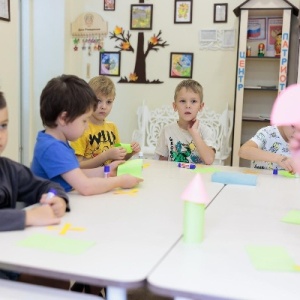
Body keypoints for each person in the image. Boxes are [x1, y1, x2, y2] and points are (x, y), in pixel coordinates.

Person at [31, 74, 143, 195]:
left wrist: (107, 169)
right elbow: (86, 187)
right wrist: (120, 181)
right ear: (64, 118)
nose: (86, 126)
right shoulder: (52, 148)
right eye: (84, 120)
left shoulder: (58, 143)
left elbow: (78, 172)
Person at [0, 91, 69, 284]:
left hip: (9, 261)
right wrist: (29, 217)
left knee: (58, 280)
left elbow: (46, 185)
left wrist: (58, 198)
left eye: (3, 126)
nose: (0, 135)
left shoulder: (8, 169)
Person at [70, 75, 140, 169]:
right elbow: (77, 166)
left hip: (108, 177)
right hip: (90, 180)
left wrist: (131, 152)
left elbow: (117, 159)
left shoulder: (112, 127)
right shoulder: (81, 128)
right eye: (98, 101)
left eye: (109, 102)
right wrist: (105, 156)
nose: (104, 106)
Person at [155, 79, 216, 164]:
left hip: (198, 176)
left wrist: (194, 133)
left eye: (193, 101)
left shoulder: (206, 131)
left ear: (201, 106)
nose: (188, 106)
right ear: (175, 106)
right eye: (183, 101)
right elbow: (162, 162)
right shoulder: (167, 130)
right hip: (173, 176)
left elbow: (209, 160)